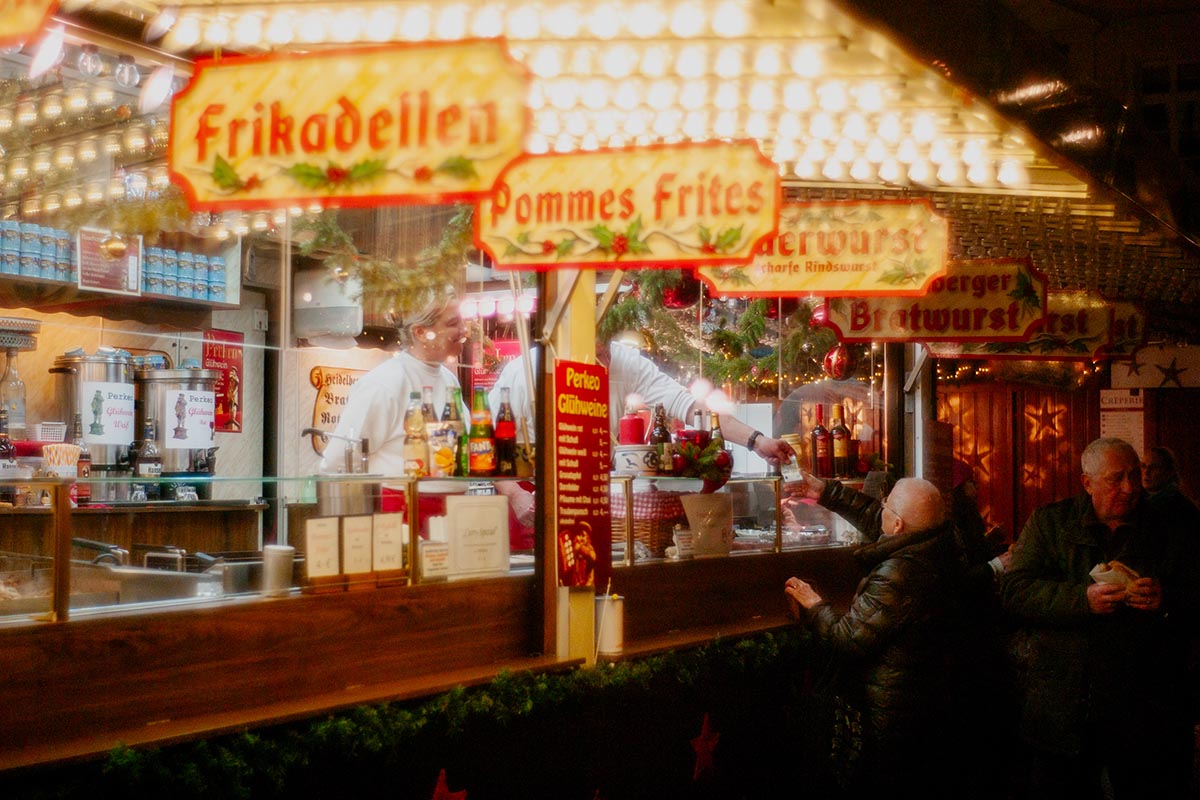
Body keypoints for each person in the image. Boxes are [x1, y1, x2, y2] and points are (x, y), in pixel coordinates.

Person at [1001, 437, 1200, 799]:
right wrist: (1082, 600)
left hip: (1148, 705)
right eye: (1115, 479)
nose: (1130, 488)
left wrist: (1166, 599)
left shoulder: (1172, 526)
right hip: (1065, 702)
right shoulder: (1051, 523)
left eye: (1134, 475)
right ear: (1087, 482)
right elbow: (1014, 592)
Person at [489, 341, 796, 548]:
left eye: (605, 350)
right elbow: (489, 447)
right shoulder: (524, 374)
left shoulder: (626, 362)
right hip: (531, 497)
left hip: (592, 497)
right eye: (594, 354)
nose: (603, 362)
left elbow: (690, 407)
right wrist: (514, 494)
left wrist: (757, 440)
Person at [782, 471, 969, 798]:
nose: (880, 506)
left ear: (897, 524)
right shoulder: (939, 540)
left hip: (890, 711)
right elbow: (878, 518)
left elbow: (847, 639)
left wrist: (814, 605)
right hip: (925, 701)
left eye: (886, 504)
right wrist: (827, 492)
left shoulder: (900, 572)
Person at [324, 288, 467, 533]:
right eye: (453, 323)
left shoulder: (449, 379)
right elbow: (338, 460)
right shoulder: (385, 382)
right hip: (401, 513)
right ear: (420, 332)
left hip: (450, 512)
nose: (464, 330)